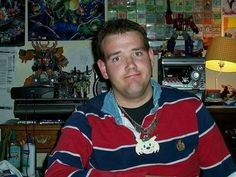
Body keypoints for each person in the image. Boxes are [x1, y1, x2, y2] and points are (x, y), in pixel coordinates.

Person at [45, 19, 236, 177]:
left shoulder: (191, 108)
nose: (130, 65)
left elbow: (225, 173)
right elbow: (57, 172)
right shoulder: (85, 118)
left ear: (150, 57)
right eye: (117, 58)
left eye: (137, 53)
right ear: (103, 69)